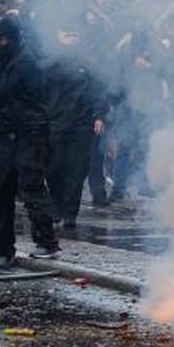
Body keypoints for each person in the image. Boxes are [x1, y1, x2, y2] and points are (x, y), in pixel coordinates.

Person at [0, 17, 60, 267]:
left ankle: (47, 242)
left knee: (31, 186)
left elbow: (7, 91)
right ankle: (3, 248)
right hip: (2, 134)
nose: (3, 43)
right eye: (0, 39)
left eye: (7, 39)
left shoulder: (25, 62)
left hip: (30, 132)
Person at [44, 25, 108, 232]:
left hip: (81, 124)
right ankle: (56, 207)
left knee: (77, 169)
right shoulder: (49, 63)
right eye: (67, 34)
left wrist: (99, 115)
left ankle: (71, 213)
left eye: (74, 34)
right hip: (55, 122)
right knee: (54, 168)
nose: (71, 38)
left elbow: (98, 89)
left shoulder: (88, 62)